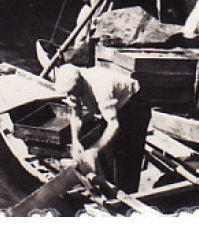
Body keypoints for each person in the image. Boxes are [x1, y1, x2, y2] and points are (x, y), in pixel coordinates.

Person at [50, 63, 151, 193]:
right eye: (69, 92)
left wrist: (95, 149)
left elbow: (114, 125)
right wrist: (75, 141)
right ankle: (109, 188)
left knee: (126, 154)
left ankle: (127, 196)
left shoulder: (100, 86)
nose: (71, 95)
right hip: (114, 109)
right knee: (106, 153)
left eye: (73, 91)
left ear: (81, 82)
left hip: (134, 105)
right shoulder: (74, 87)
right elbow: (76, 113)